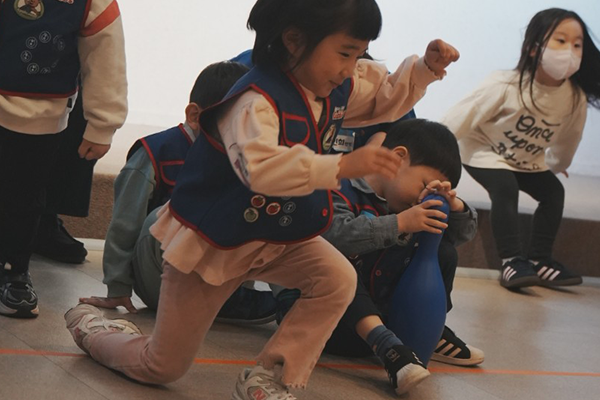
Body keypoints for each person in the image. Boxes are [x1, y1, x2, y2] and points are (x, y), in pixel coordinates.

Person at [64, 0, 459, 399]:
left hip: (276, 236)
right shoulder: (253, 101)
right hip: (215, 243)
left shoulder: (331, 87)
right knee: (162, 365)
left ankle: (270, 377)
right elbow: (261, 170)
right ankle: (95, 329)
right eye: (345, 53)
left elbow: (381, 97)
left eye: (359, 55)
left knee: (337, 279)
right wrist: (341, 166)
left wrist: (423, 70)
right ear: (294, 40)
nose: (350, 68)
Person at [77, 60, 278, 324]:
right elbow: (124, 225)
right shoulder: (156, 152)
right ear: (195, 116)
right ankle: (221, 301)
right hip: (160, 279)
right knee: (171, 214)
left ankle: (255, 298)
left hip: (216, 275)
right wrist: (118, 286)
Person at [319, 119, 483, 395]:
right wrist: (400, 224)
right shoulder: (339, 185)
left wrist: (452, 205)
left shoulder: (407, 204)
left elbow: (461, 234)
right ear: (397, 158)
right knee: (339, 268)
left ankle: (427, 331)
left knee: (443, 250)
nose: (421, 198)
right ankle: (390, 348)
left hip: (390, 322)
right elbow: (334, 236)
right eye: (424, 185)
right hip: (331, 327)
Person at [441, 8, 600, 289]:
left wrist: (557, 164)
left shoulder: (574, 98)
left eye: (577, 44)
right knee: (505, 187)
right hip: (483, 153)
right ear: (532, 48)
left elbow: (569, 140)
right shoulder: (506, 85)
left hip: (527, 160)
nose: (570, 51)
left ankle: (540, 259)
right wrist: (436, 150)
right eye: (560, 40)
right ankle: (512, 260)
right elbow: (461, 117)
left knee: (554, 192)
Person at [0, 0, 127, 318]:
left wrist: (103, 123)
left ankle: (13, 270)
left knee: (23, 199)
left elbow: (106, 56)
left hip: (37, 114)